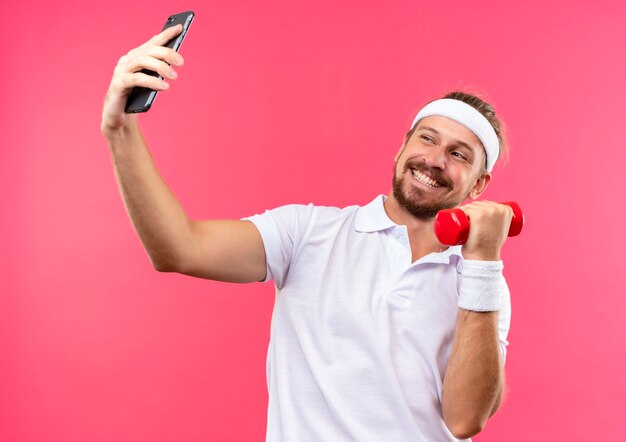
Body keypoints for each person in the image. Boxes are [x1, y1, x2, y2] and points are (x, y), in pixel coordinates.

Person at [102, 24, 513, 442]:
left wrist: (483, 261)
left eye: (458, 154)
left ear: (478, 186)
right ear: (402, 147)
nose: (435, 159)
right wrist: (120, 129)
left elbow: (465, 420)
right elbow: (179, 249)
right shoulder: (307, 233)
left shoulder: (483, 285)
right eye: (427, 139)